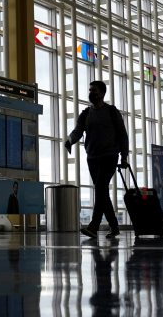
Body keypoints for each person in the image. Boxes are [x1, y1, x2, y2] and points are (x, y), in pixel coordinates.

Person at [65, 80, 129, 240]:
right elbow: (78, 130)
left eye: (94, 90)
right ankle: (114, 226)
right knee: (102, 192)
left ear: (102, 93)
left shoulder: (112, 112)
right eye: (90, 90)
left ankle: (94, 226)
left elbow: (122, 135)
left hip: (109, 156)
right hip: (92, 158)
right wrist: (70, 140)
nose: (91, 93)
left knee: (100, 188)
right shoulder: (86, 114)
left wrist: (124, 156)